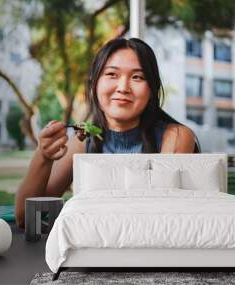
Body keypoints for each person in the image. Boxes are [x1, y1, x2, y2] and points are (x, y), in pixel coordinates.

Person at [15, 38, 200, 228]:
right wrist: (43, 156)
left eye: (137, 77)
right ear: (95, 84)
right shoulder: (83, 141)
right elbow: (26, 218)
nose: (123, 88)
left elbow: (158, 215)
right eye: (112, 74)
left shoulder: (176, 136)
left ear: (151, 90)